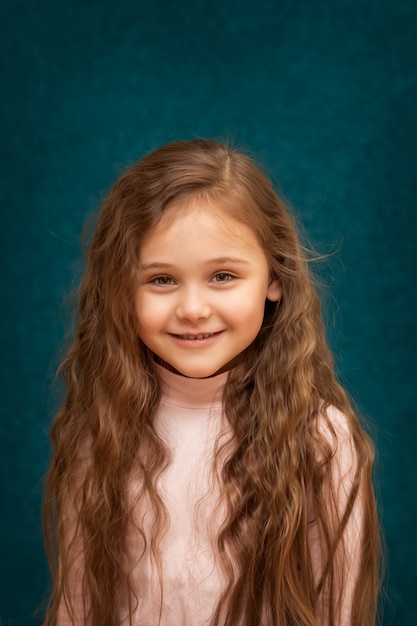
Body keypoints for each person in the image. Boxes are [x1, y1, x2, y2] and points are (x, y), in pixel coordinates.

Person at [43, 139, 381, 626]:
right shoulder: (102, 432)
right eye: (162, 279)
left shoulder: (319, 439)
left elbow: (338, 614)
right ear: (120, 288)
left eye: (223, 275)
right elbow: (75, 609)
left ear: (275, 278)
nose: (193, 308)